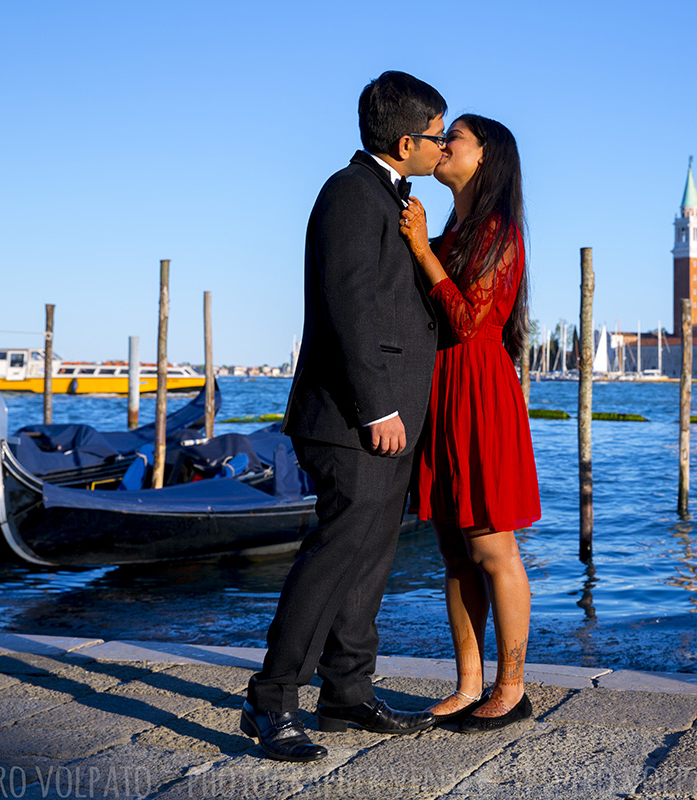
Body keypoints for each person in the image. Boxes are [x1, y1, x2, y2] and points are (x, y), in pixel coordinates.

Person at [241, 71, 447, 762]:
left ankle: (347, 692)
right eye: (437, 136)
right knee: (333, 557)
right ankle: (272, 702)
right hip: (353, 418)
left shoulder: (389, 197)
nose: (443, 146)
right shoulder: (351, 195)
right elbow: (350, 308)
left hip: (387, 418)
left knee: (370, 557)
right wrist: (379, 406)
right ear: (406, 140)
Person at [399, 114, 541, 733]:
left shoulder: (498, 231)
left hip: (479, 387)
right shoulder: (458, 225)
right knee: (454, 551)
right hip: (443, 388)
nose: (442, 143)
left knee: (490, 544)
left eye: (455, 136)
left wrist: (422, 252)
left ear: (484, 158)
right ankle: (467, 684)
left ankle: (512, 687)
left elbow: (466, 320)